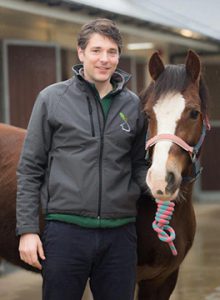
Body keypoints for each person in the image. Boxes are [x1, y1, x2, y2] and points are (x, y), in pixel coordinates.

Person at [16, 18, 147, 300]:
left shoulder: (133, 105)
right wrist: (27, 229)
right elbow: (30, 169)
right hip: (65, 232)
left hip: (120, 235)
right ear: (81, 53)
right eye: (96, 50)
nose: (105, 59)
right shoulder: (52, 99)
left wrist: (159, 188)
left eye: (112, 52)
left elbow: (139, 164)